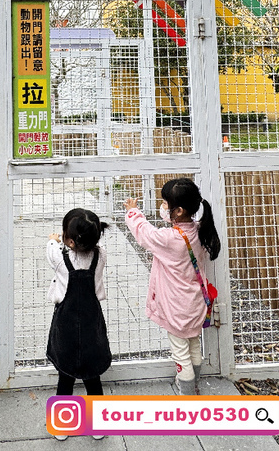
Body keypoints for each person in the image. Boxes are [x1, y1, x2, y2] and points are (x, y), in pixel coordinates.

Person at [124, 177, 221, 396]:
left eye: (165, 204)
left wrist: (133, 211)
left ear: (177, 211)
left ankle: (187, 393)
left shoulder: (169, 239)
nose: (163, 207)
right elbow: (175, 221)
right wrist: (169, 211)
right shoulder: (198, 230)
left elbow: (143, 232)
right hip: (196, 303)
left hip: (177, 307)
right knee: (194, 344)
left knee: (180, 352)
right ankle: (195, 382)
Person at [46, 208, 112, 440]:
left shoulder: (61, 260)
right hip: (91, 324)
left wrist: (53, 241)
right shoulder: (100, 256)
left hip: (66, 329)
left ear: (70, 241)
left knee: (66, 376)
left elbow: (51, 250)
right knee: (92, 377)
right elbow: (93, 249)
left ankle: (62, 426)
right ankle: (98, 425)